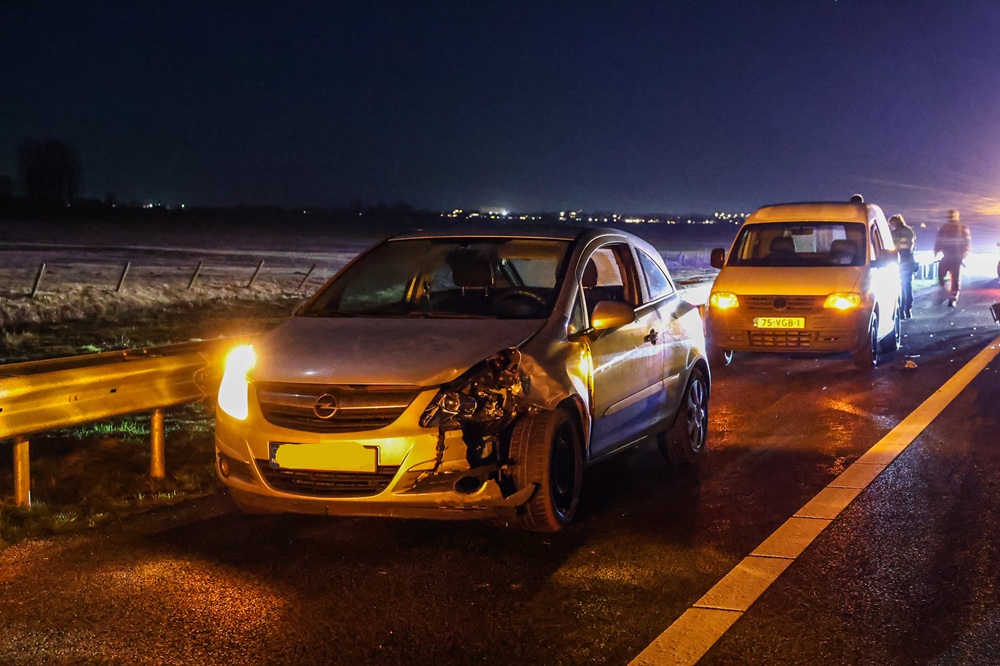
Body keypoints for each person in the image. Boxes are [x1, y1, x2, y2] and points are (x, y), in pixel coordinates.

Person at [933, 209, 971, 307]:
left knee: (955, 278)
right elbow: (939, 240)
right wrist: (936, 251)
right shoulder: (945, 228)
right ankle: (946, 289)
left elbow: (966, 242)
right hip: (948, 255)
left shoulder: (962, 228)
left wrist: (964, 254)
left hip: (956, 256)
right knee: (942, 274)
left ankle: (952, 299)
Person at [888, 214, 917, 318]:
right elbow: (913, 247)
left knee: (899, 286)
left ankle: (901, 310)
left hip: (898, 261)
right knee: (907, 285)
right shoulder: (910, 231)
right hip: (909, 260)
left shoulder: (894, 233)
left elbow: (891, 248)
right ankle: (908, 309)